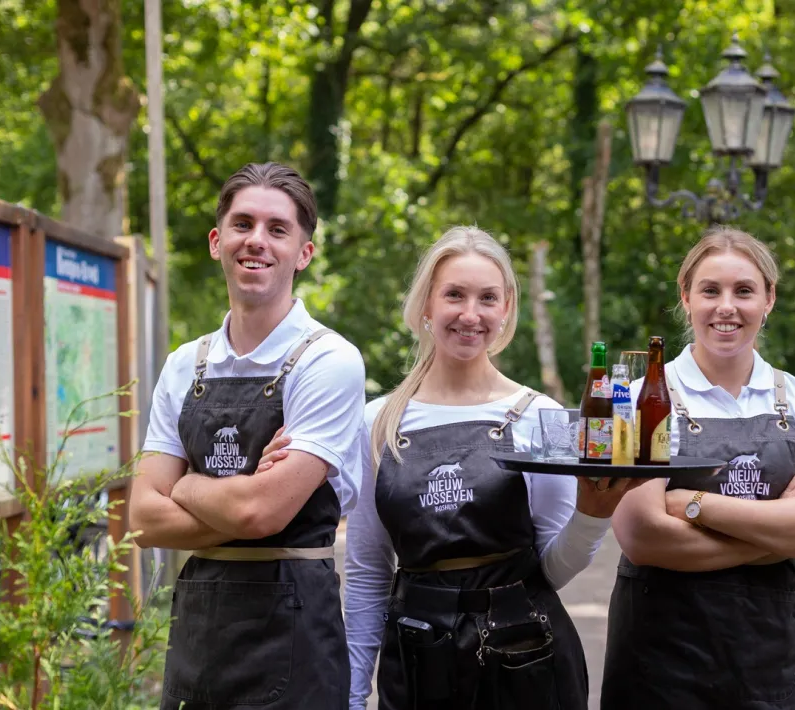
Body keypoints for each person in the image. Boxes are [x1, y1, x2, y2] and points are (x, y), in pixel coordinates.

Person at [344, 226, 643, 710]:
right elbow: (367, 573)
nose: (470, 314)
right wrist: (352, 695)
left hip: (526, 661)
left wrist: (593, 515)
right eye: (454, 295)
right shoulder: (377, 422)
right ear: (426, 305)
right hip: (417, 664)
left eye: (487, 298)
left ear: (506, 309)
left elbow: (553, 569)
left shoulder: (538, 416)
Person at [129, 162, 365, 710]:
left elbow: (262, 515)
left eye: (278, 229)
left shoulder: (328, 360)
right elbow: (142, 519)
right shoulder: (184, 364)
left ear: (303, 253)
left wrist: (185, 484)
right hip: (198, 638)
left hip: (294, 639)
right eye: (242, 224)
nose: (256, 241)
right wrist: (235, 496)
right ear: (217, 241)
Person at [600, 226, 795, 710]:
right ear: (686, 298)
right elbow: (643, 536)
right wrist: (781, 530)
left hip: (770, 658)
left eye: (744, 291)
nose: (726, 307)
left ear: (768, 300)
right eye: (710, 290)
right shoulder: (640, 400)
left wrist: (695, 505)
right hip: (659, 660)